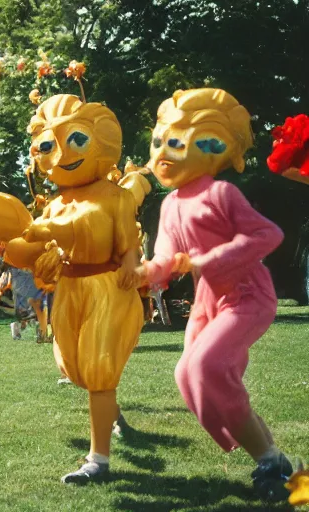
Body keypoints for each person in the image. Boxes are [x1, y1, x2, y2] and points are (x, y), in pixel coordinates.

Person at [137, 88, 293, 501]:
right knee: (187, 375)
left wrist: (207, 259)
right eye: (158, 143)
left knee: (206, 367)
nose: (162, 154)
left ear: (210, 147)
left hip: (247, 294)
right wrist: (142, 273)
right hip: (210, 299)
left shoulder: (221, 194)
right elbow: (165, 256)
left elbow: (268, 234)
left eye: (176, 144)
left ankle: (267, 461)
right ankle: (273, 458)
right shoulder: (169, 204)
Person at [2, 95, 143, 484]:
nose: (61, 154)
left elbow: (126, 241)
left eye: (77, 140)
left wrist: (133, 264)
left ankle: (98, 460)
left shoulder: (116, 195)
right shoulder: (55, 203)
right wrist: (4, 240)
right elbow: (28, 249)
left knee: (98, 371)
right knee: (77, 370)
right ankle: (111, 410)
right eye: (48, 146)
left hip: (105, 287)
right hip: (70, 290)